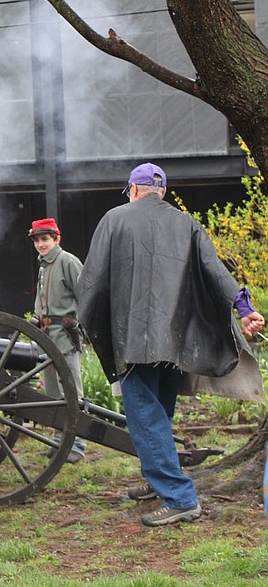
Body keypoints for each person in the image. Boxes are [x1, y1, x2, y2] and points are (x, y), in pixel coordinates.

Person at [78, 162, 265, 527]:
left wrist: (92, 327)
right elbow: (215, 272)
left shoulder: (114, 220)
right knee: (159, 416)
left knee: (146, 420)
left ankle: (180, 497)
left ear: (133, 189)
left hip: (132, 341)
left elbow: (93, 284)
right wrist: (244, 308)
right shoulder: (186, 223)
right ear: (162, 191)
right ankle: (157, 481)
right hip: (175, 343)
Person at [28, 218, 86, 463]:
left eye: (45, 239)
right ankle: (57, 442)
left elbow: (85, 296)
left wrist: (80, 326)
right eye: (37, 240)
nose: (41, 244)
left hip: (64, 335)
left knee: (72, 391)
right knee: (52, 392)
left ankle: (78, 445)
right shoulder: (43, 265)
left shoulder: (68, 262)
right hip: (46, 336)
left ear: (56, 239)